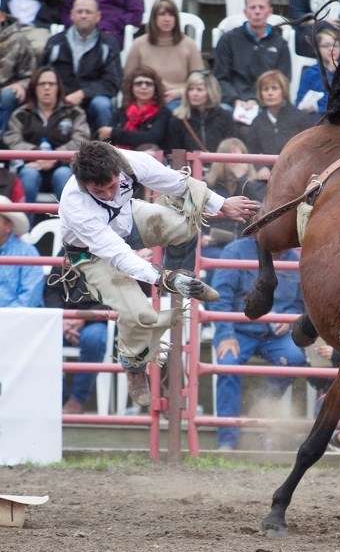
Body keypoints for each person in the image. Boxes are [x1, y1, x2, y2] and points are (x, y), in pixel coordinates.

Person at [57, 140, 261, 407]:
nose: (107, 193)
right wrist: (159, 277)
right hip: (92, 254)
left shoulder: (131, 162)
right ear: (83, 184)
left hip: (126, 218)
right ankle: (134, 365)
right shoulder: (76, 206)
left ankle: (181, 274)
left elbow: (175, 183)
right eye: (99, 190)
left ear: (118, 170)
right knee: (139, 314)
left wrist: (220, 203)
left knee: (183, 226)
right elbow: (117, 253)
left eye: (112, 185)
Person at [209, 236, 307, 451]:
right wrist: (225, 334)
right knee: (227, 365)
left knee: (295, 359)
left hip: (274, 333)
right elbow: (220, 298)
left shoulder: (295, 259)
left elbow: (301, 303)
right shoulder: (235, 252)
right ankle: (227, 440)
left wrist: (289, 319)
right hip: (237, 330)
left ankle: (260, 406)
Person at [3, 66, 90, 207]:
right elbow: (13, 139)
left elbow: (81, 140)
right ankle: (25, 228)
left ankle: (72, 227)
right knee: (29, 175)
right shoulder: (21, 114)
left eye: (51, 84)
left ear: (58, 87)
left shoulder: (75, 113)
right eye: (42, 84)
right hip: (31, 165)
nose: (47, 88)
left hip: (65, 166)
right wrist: (36, 154)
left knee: (63, 175)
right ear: (34, 87)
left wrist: (54, 157)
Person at [41, 0, 122, 135]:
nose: (83, 15)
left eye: (88, 12)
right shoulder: (55, 42)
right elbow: (41, 74)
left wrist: (83, 93)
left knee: (102, 104)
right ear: (72, 15)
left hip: (92, 101)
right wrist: (60, 95)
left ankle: (107, 151)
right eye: (79, 12)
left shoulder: (109, 44)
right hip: (59, 99)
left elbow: (112, 83)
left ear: (98, 16)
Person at [45, 255, 110, 414]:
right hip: (64, 318)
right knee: (41, 340)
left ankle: (76, 400)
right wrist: (62, 317)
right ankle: (61, 399)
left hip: (97, 319)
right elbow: (51, 290)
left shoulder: (115, 250)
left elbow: (120, 297)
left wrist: (85, 316)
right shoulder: (68, 250)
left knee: (94, 339)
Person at [213, 0, 291, 115]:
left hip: (267, 104)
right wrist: (235, 100)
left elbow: (284, 80)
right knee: (221, 112)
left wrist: (257, 101)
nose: (257, 12)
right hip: (233, 103)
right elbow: (220, 78)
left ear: (269, 11)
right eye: (252, 7)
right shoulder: (228, 40)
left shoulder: (280, 44)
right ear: (245, 12)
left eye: (261, 7)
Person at [201, 138, 267, 287]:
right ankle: (214, 306)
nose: (236, 160)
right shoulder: (208, 185)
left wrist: (243, 178)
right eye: (231, 155)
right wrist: (201, 238)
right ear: (221, 159)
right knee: (218, 259)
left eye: (240, 155)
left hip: (244, 243)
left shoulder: (253, 185)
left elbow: (261, 210)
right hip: (213, 246)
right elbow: (195, 216)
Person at [124, 0, 204, 112]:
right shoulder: (139, 45)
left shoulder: (189, 45)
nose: (167, 19)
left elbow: (200, 82)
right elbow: (128, 80)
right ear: (154, 18)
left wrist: (178, 93)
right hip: (147, 99)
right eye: (162, 14)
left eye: (171, 15)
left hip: (180, 100)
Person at [96, 66, 172, 152]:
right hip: (119, 158)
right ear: (131, 88)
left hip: (149, 159)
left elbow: (151, 139)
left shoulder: (163, 113)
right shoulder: (122, 111)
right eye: (138, 83)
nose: (143, 87)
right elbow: (106, 135)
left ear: (156, 88)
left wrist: (115, 132)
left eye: (148, 84)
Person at [246, 70, 317, 156]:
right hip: (267, 168)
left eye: (274, 88)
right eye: (265, 89)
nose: (270, 93)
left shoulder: (301, 118)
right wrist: (261, 168)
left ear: (284, 91)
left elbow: (311, 149)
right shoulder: (257, 121)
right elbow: (251, 151)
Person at [167, 71, 237, 154]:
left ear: (210, 92)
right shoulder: (178, 119)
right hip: (189, 166)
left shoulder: (225, 117)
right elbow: (175, 153)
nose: (194, 93)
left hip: (218, 165)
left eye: (199, 90)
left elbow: (231, 148)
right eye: (191, 89)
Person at [0, 0, 36, 137]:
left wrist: (21, 84)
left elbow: (31, 75)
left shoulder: (18, 40)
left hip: (6, 92)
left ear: (2, 16)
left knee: (9, 96)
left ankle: (4, 143)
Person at [0, 194, 44, 307]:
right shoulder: (27, 252)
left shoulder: (27, 252)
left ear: (8, 227)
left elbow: (30, 298)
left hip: (16, 320)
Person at [296, 27, 340, 117]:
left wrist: (333, 73)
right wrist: (329, 74)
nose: (331, 49)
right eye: (326, 45)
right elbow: (299, 103)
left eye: (335, 45)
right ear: (316, 50)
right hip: (315, 122)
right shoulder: (310, 73)